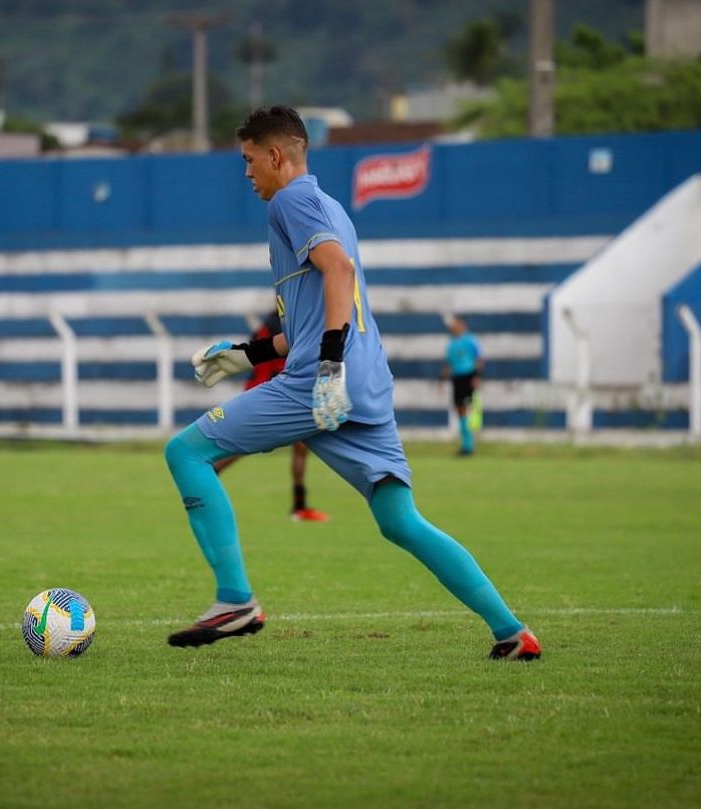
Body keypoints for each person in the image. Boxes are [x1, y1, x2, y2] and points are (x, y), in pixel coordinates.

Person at [163, 106, 539, 661]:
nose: (246, 173)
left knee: (187, 452)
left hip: (319, 383)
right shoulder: (330, 206)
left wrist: (329, 366)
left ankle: (235, 599)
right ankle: (512, 632)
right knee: (400, 520)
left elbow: (338, 273)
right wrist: (246, 354)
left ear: (275, 156)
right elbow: (313, 317)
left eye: (248, 160)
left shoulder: (290, 202)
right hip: (364, 385)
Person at [212, 311, 330, 523]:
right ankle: (207, 475)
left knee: (300, 446)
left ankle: (299, 506)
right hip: (273, 392)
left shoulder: (272, 323)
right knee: (244, 445)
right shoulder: (290, 324)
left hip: (268, 389)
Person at [441, 316, 484, 456]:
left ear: (463, 325)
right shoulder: (452, 342)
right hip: (457, 377)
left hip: (468, 376)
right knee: (459, 410)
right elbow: (449, 362)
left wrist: (477, 377)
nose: (454, 327)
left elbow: (478, 358)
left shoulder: (470, 340)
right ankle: (465, 445)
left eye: (457, 324)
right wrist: (442, 379)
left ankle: (469, 446)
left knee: (467, 409)